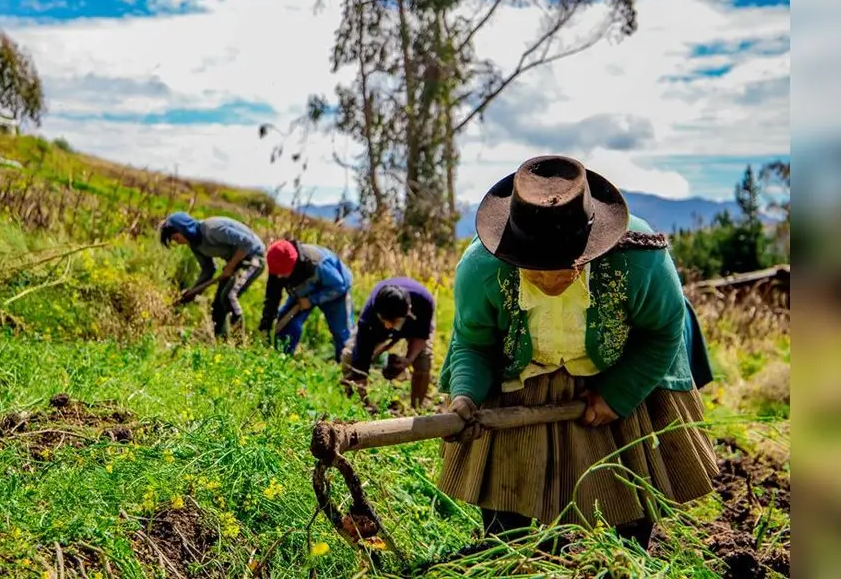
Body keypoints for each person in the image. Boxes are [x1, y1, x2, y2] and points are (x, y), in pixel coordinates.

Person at [437, 155, 718, 551]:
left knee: (630, 488)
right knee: (505, 499)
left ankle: (627, 556)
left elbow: (663, 330)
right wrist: (465, 396)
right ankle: (510, 551)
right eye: (534, 269)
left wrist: (618, 395)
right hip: (523, 365)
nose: (548, 280)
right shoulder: (481, 268)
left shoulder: (639, 260)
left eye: (560, 268)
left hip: (620, 362)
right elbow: (473, 343)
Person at [159, 212, 265, 338]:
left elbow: (247, 242)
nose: (178, 243)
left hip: (253, 257)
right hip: (235, 262)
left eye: (176, 238)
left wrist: (231, 266)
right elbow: (208, 270)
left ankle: (240, 340)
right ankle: (221, 341)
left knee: (228, 296)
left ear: (184, 230)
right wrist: (193, 291)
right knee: (217, 306)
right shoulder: (195, 244)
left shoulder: (212, 229)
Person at [341, 277, 436, 409]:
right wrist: (359, 381)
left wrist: (408, 360)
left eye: (393, 322)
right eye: (385, 321)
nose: (388, 326)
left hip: (414, 322)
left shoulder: (424, 303)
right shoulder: (369, 318)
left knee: (423, 361)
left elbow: (421, 336)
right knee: (350, 356)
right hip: (376, 327)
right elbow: (360, 360)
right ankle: (358, 407)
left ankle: (417, 408)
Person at [259, 239, 354, 359]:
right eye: (276, 273)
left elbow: (339, 286)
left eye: (283, 273)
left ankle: (348, 364)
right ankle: (282, 357)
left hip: (335, 289)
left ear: (293, 265)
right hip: (304, 290)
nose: (279, 276)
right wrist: (266, 325)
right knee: (287, 321)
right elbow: (272, 297)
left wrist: (312, 300)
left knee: (342, 332)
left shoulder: (318, 264)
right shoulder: (277, 265)